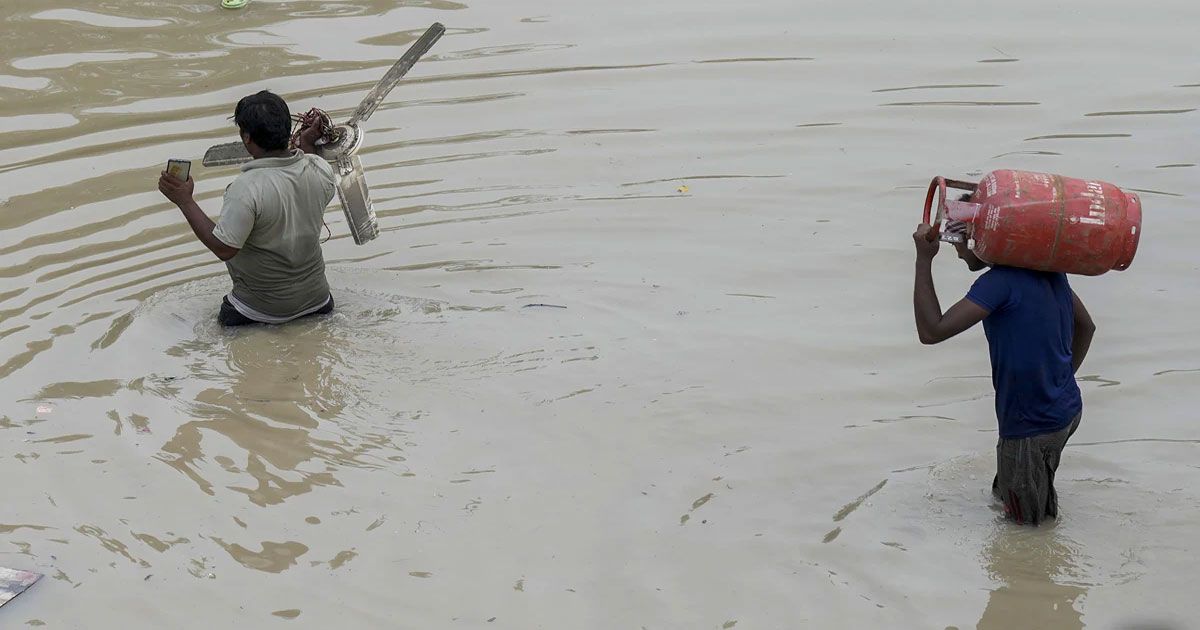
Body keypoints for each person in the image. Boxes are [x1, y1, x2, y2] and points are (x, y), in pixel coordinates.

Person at [912, 205, 1096, 525]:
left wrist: (923, 260)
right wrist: (1060, 380)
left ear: (979, 240)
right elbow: (1086, 327)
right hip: (1066, 409)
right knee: (1010, 495)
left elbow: (931, 331)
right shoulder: (1048, 270)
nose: (956, 253)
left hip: (1030, 424)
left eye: (958, 241)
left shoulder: (998, 283)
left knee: (1026, 530)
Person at [158, 90, 337, 326]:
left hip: (259, 312)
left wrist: (185, 201)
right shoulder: (320, 170)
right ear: (286, 129)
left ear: (247, 138)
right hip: (319, 303)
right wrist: (306, 144)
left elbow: (224, 249)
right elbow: (308, 164)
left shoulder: (246, 188)